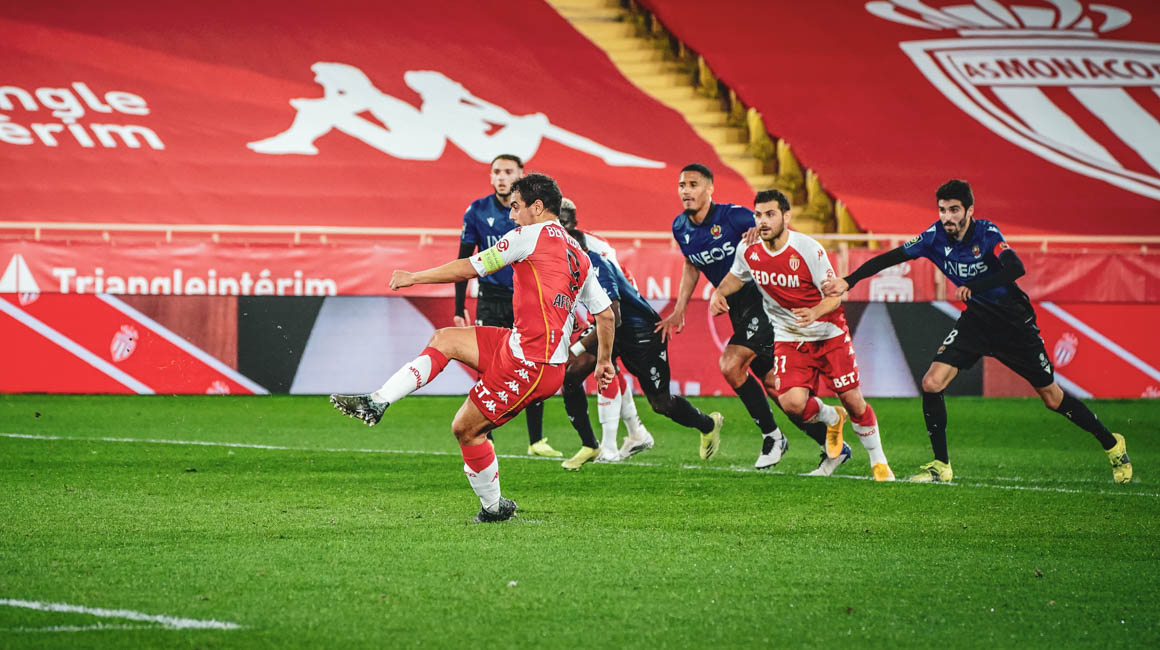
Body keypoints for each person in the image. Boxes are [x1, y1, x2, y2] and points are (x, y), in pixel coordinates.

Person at [330, 174, 617, 522]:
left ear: (538, 207)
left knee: (466, 429)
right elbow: (605, 315)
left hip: (533, 363)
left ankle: (493, 508)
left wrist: (414, 277)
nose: (512, 215)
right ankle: (378, 400)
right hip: (520, 346)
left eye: (516, 207)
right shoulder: (579, 255)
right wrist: (603, 361)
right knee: (446, 339)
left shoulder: (528, 236)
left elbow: (469, 267)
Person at [822, 179, 1132, 484]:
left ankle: (1112, 444)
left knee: (1052, 398)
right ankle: (941, 465)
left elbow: (1015, 268)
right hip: (977, 322)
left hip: (1013, 324)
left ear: (970, 210)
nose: (947, 217)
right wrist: (849, 280)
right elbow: (892, 257)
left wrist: (976, 285)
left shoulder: (987, 233)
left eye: (954, 210)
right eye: (943, 210)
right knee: (931, 383)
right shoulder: (933, 237)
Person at [711, 189, 895, 481]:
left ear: (786, 216)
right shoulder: (748, 249)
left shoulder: (808, 249)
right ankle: (832, 417)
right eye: (758, 215)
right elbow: (737, 275)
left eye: (770, 214)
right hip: (789, 336)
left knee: (853, 400)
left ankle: (879, 461)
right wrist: (718, 293)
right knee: (792, 404)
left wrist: (815, 312)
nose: (763, 221)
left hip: (828, 333)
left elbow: (834, 296)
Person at [657, 163, 830, 468]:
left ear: (710, 189)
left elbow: (778, 235)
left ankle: (772, 437)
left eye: (693, 185)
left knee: (731, 363)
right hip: (738, 309)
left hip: (763, 300)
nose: (686, 191)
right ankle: (830, 441)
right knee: (777, 387)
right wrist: (680, 308)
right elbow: (692, 264)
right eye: (682, 185)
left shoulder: (734, 217)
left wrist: (763, 234)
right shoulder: (680, 227)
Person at [558, 198, 722, 469]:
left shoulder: (594, 257)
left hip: (638, 331)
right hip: (610, 325)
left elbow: (613, 314)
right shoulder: (559, 256)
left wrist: (576, 347)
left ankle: (707, 424)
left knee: (661, 403)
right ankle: (596, 445)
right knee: (573, 374)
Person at [454, 154, 562, 458]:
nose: (502, 177)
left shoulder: (530, 213)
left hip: (528, 302)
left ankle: (536, 440)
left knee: (533, 363)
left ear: (520, 175)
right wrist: (459, 307)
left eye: (508, 172)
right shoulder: (477, 210)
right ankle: (483, 436)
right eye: (497, 172)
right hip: (490, 298)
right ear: (490, 177)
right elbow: (464, 260)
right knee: (487, 366)